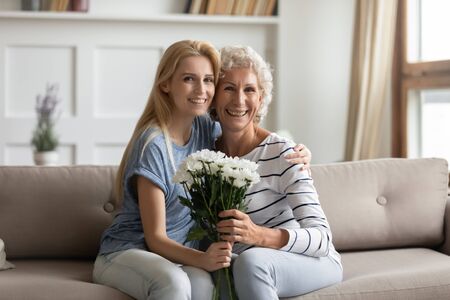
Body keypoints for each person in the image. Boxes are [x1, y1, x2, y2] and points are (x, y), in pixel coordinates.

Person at [92, 40, 312, 300]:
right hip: (127, 253)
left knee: (210, 289)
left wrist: (294, 149)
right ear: (165, 84)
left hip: (177, 256)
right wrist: (203, 259)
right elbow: (155, 238)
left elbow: (246, 130)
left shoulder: (206, 129)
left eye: (208, 80)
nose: (201, 90)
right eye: (189, 79)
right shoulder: (153, 144)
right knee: (173, 284)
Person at [213, 45, 343, 299]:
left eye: (249, 89)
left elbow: (322, 239)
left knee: (251, 263)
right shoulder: (205, 153)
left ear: (260, 98)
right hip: (243, 261)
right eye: (228, 88)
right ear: (214, 95)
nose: (239, 100)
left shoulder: (283, 154)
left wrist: (258, 235)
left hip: (310, 259)